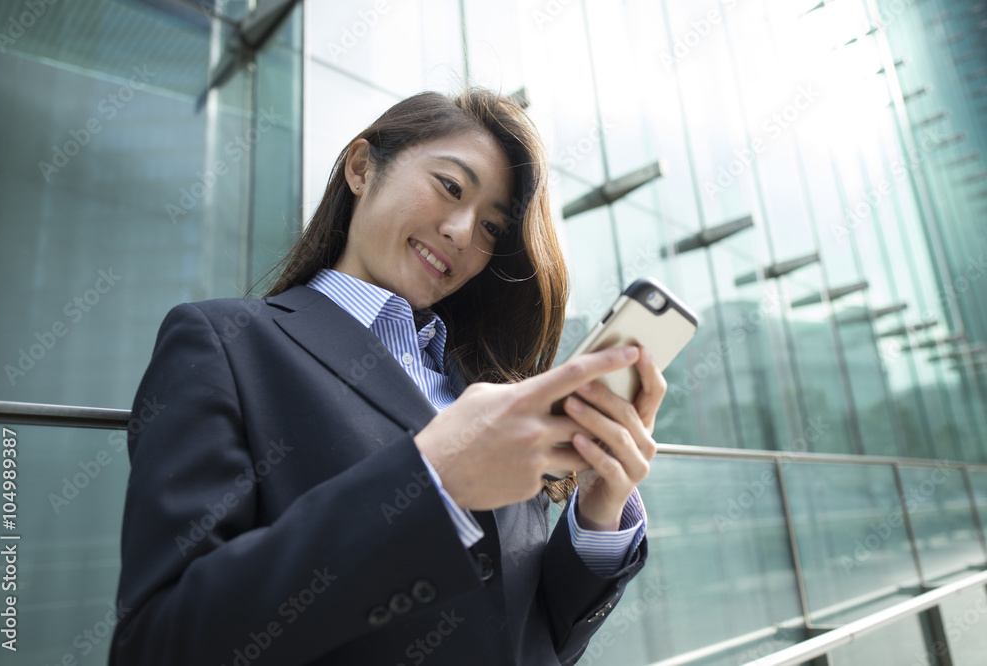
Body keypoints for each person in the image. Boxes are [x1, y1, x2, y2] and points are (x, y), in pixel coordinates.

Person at [109, 88, 667, 666]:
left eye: (493, 229)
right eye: (451, 186)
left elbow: (534, 635)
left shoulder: (490, 388)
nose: (461, 232)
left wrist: (599, 512)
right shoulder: (226, 345)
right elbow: (159, 641)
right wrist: (433, 481)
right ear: (360, 167)